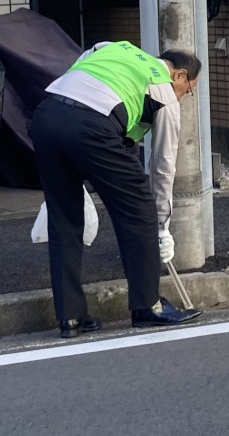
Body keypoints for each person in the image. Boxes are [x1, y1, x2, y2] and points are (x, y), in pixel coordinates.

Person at [31, 41, 203, 338]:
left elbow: (82, 67)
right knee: (139, 211)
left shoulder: (113, 47)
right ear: (180, 75)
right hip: (92, 126)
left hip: (46, 115)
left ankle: (70, 317)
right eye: (188, 90)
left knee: (64, 218)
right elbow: (162, 166)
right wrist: (161, 226)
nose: (184, 97)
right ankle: (148, 307)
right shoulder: (163, 89)